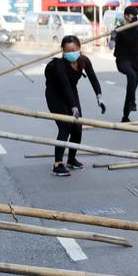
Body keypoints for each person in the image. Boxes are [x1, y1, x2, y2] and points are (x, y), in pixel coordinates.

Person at [45, 35, 105, 177]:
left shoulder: (84, 60)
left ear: (79, 48)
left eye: (74, 49)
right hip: (55, 95)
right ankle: (57, 164)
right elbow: (64, 86)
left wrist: (100, 98)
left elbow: (93, 78)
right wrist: (73, 107)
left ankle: (71, 159)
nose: (71, 53)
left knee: (77, 127)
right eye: (68, 50)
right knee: (65, 126)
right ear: (63, 51)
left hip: (72, 92)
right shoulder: (59, 65)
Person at [112, 6, 138, 122]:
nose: (135, 17)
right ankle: (133, 102)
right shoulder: (120, 29)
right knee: (131, 75)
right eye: (133, 15)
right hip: (123, 61)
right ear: (126, 16)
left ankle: (125, 116)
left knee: (131, 88)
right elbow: (111, 46)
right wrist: (112, 37)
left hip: (135, 62)